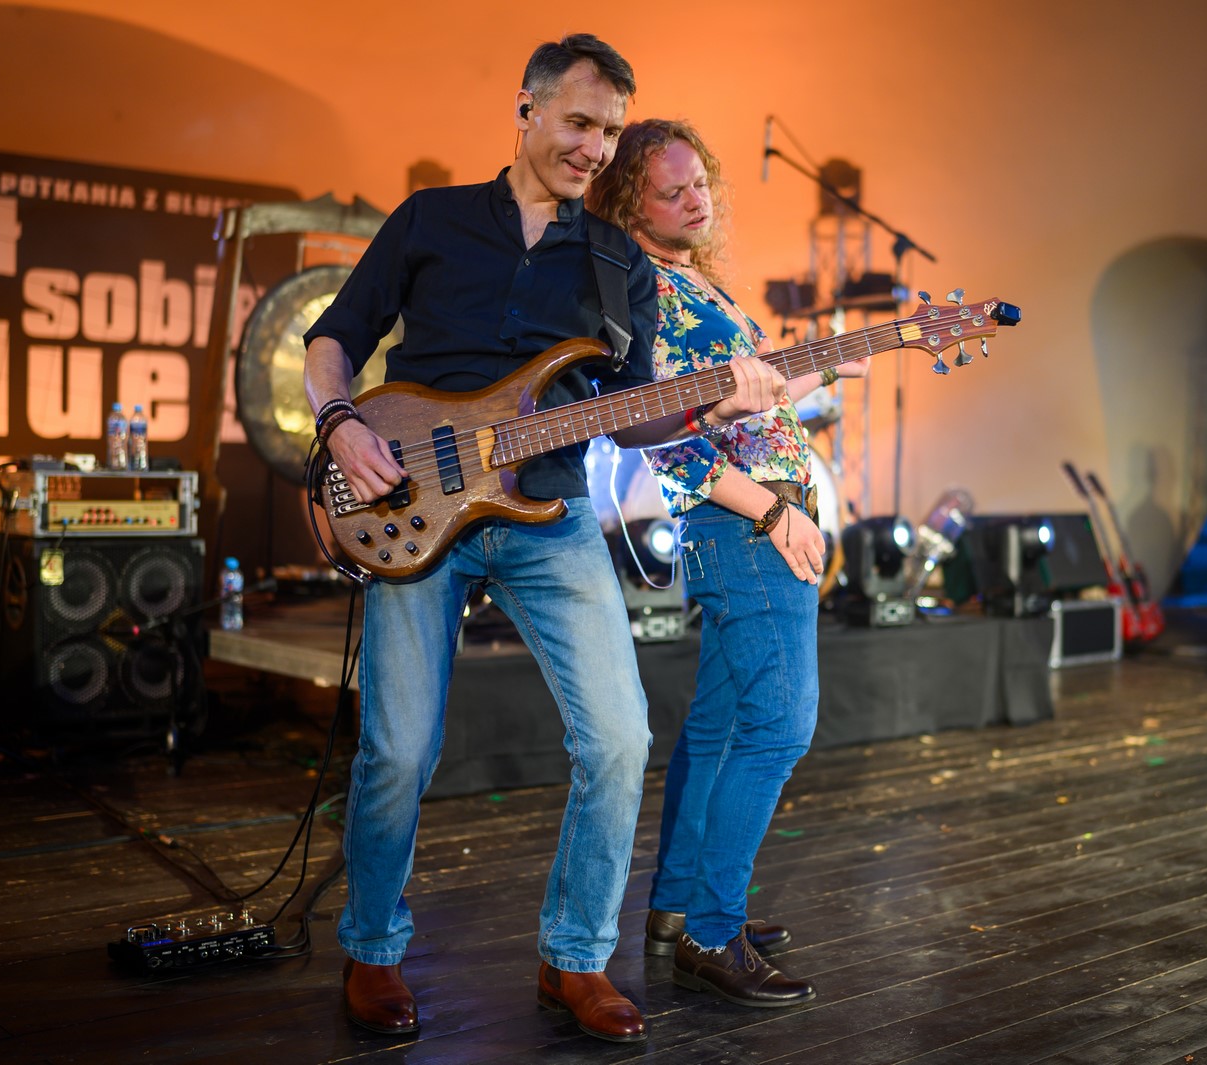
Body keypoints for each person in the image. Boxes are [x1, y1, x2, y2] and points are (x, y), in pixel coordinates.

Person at [302, 37, 786, 1043]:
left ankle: (575, 959)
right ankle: (373, 949)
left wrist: (714, 402)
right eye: (579, 123)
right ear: (526, 109)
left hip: (549, 515)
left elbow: (635, 415)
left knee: (618, 738)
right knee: (398, 749)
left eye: (609, 132)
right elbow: (335, 336)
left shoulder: (616, 261)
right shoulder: (432, 219)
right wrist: (340, 425)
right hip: (419, 504)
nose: (594, 148)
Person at [587, 119, 866, 1007]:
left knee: (717, 725)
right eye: (671, 191)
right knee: (779, 725)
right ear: (631, 203)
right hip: (744, 524)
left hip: (753, 514)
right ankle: (713, 931)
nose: (695, 199)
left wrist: (833, 365)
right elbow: (666, 441)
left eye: (700, 182)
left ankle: (680, 906)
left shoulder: (694, 283)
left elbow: (755, 405)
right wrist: (775, 511)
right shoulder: (646, 290)